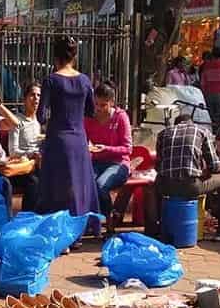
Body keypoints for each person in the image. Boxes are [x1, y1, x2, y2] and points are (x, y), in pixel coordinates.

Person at [36, 37, 100, 235]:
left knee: (57, 186)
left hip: (57, 139)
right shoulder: (84, 80)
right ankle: (78, 232)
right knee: (79, 185)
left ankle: (59, 234)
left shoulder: (51, 80)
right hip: (79, 139)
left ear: (55, 56)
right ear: (75, 56)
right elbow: (92, 111)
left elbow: (41, 115)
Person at [155, 114, 220, 242]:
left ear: (176, 123)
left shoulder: (163, 133)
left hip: (164, 186)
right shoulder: (201, 131)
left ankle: (155, 229)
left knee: (157, 186)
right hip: (190, 186)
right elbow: (214, 166)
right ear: (191, 122)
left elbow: (160, 164)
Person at [84, 82, 132, 231]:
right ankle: (89, 222)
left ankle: (109, 219)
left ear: (111, 103)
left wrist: (107, 148)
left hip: (118, 163)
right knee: (84, 183)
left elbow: (127, 148)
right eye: (96, 104)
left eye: (103, 105)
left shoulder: (120, 117)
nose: (98, 108)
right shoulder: (88, 118)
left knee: (100, 185)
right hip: (95, 161)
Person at [7, 81, 43, 212]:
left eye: (39, 96)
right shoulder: (17, 121)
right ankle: (27, 218)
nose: (36, 99)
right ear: (25, 99)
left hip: (38, 165)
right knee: (34, 181)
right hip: (22, 168)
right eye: (32, 95)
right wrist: (31, 155)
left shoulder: (39, 123)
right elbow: (13, 151)